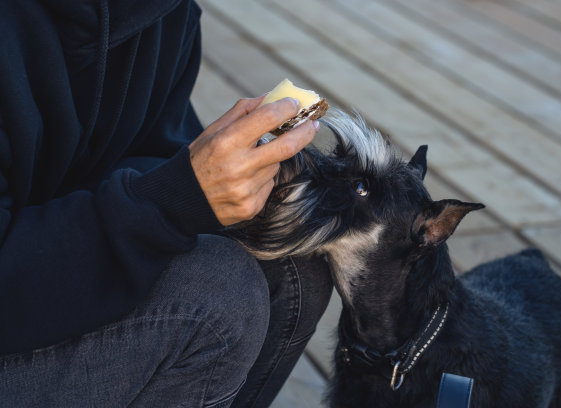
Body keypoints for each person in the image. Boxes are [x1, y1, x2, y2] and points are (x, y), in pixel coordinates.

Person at [0, 0, 333, 406]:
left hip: (54, 267)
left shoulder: (165, 14)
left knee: (289, 256)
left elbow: (152, 144)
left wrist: (226, 177)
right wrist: (169, 203)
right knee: (219, 294)